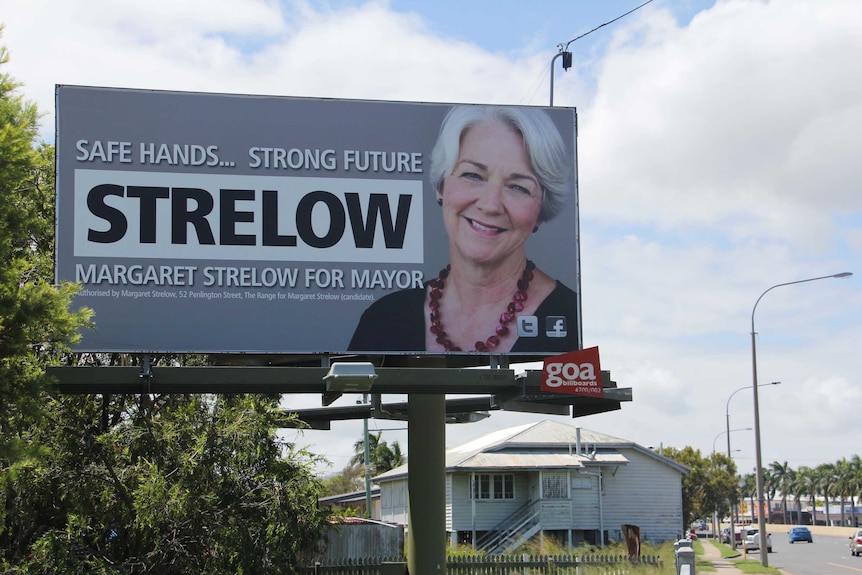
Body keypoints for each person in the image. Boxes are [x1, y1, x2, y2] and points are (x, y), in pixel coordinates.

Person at [348, 105, 578, 353]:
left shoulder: (570, 321)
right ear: (441, 185)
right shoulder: (384, 319)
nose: (490, 205)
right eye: (473, 175)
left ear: (542, 212)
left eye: (518, 187)